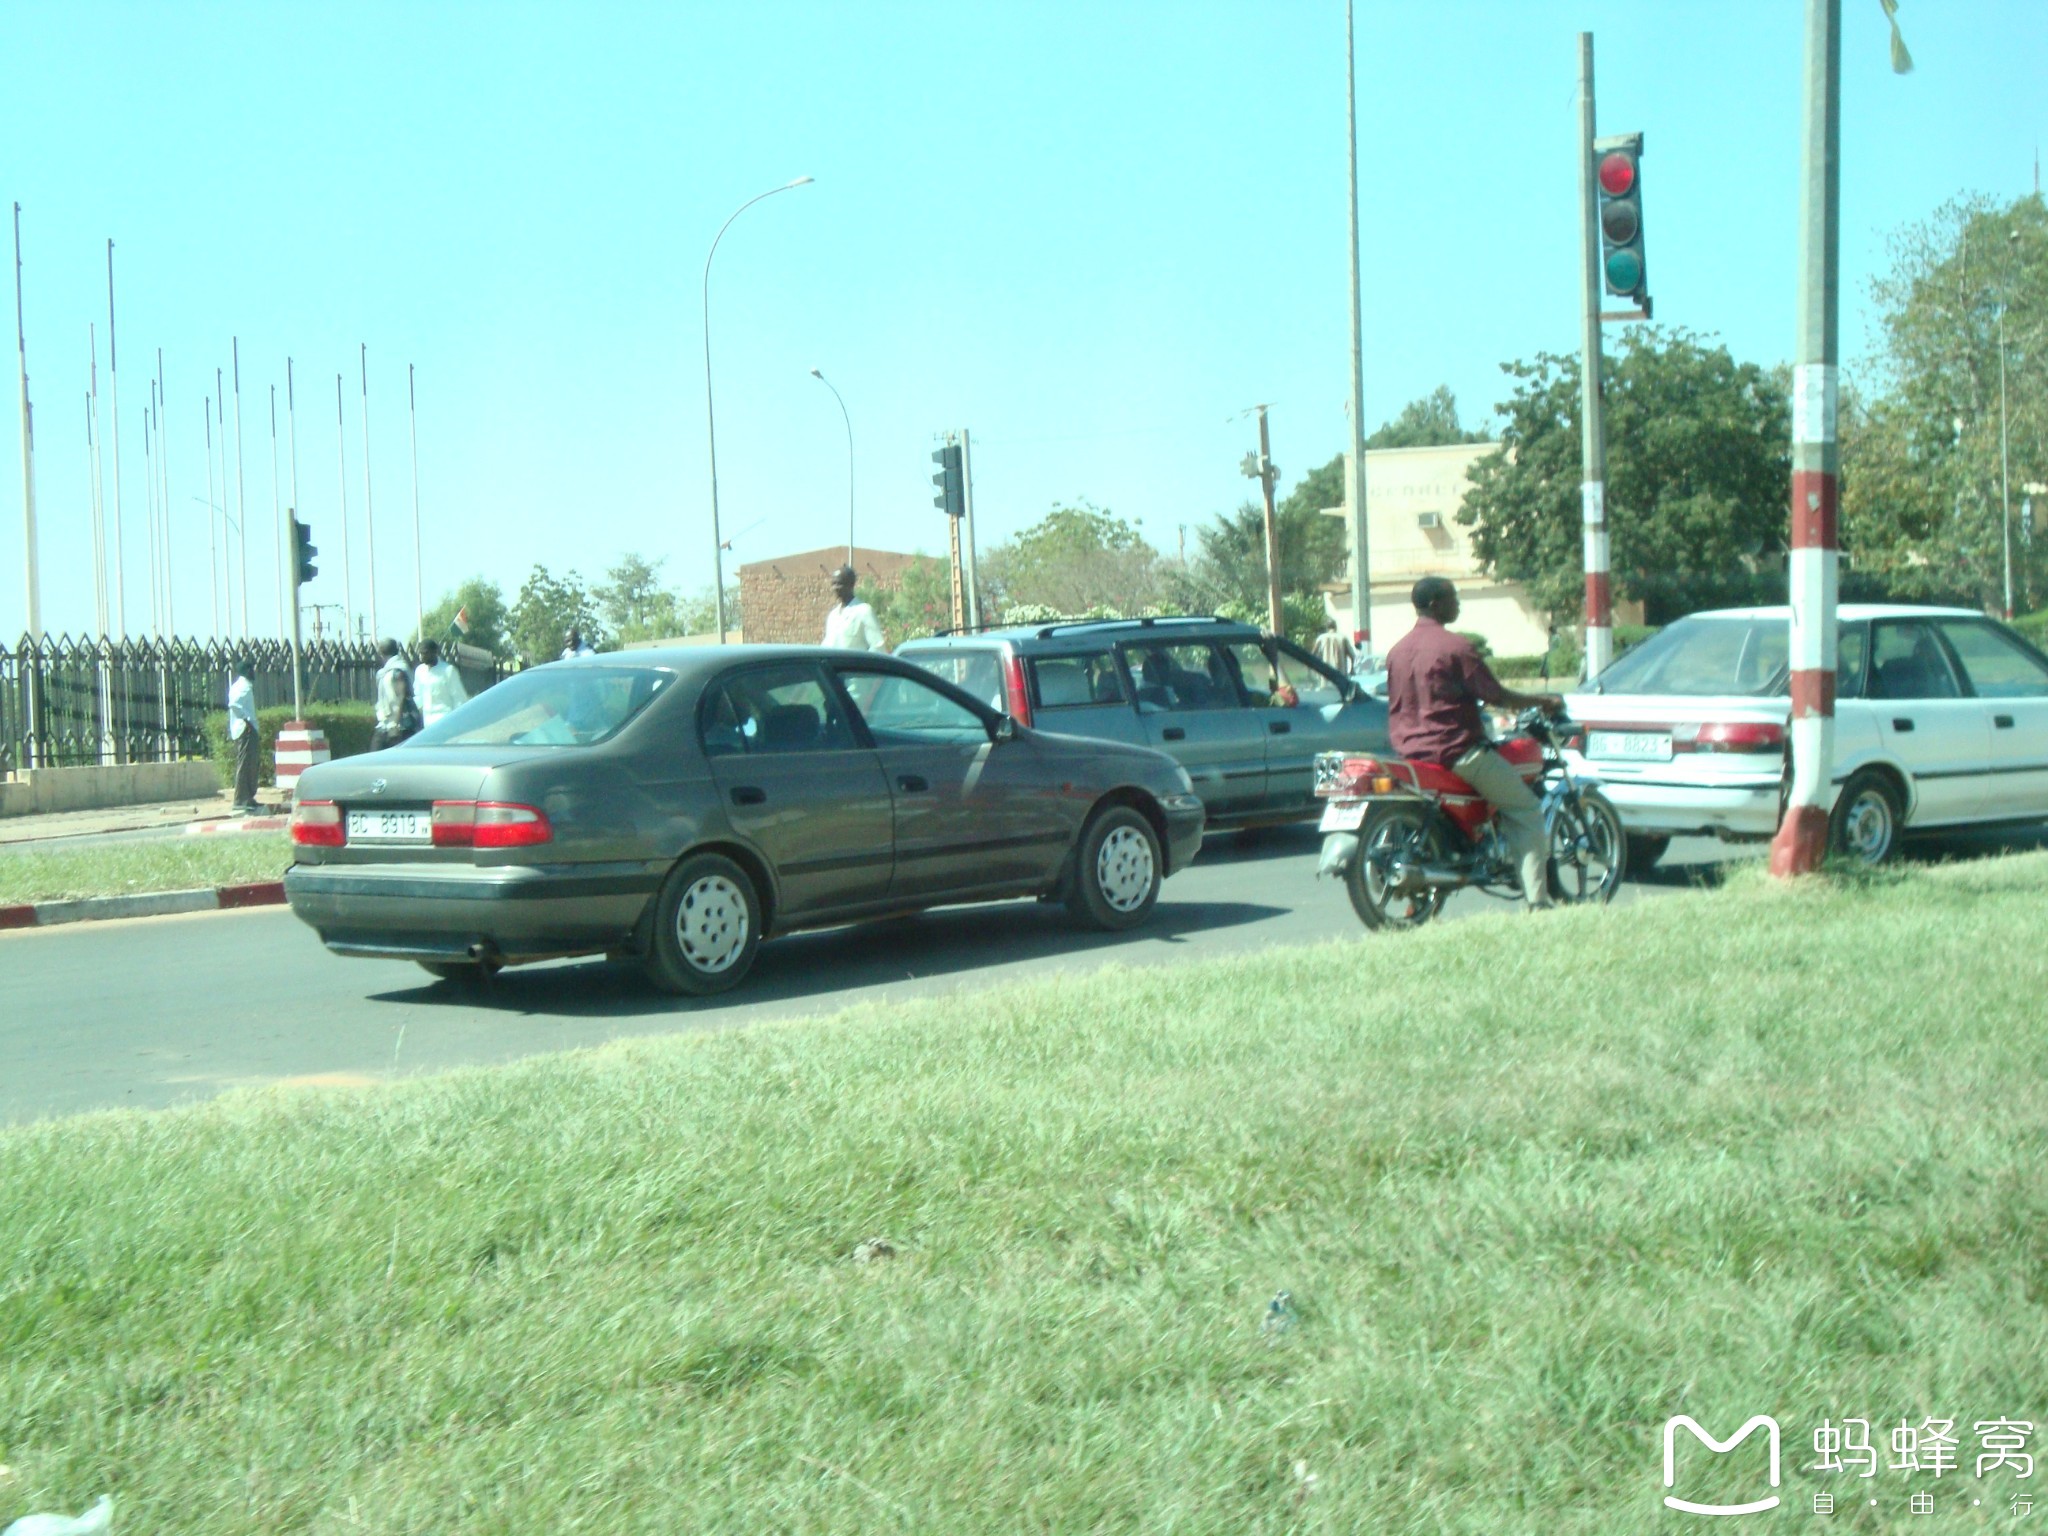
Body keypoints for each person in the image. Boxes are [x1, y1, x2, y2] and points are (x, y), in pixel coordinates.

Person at [1384, 577, 1564, 912]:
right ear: (1437, 603)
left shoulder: (1397, 651)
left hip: (1410, 754)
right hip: (1457, 752)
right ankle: (1538, 901)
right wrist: (1541, 701)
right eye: (1454, 598)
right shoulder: (1456, 647)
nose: (1459, 605)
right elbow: (1496, 695)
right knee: (1525, 808)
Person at [822, 564, 886, 652]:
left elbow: (878, 646)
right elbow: (827, 646)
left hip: (854, 665)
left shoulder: (864, 611)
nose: (835, 588)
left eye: (839, 584)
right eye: (833, 584)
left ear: (851, 585)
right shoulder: (833, 616)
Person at [371, 639, 421, 751]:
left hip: (400, 726)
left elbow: (401, 697)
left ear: (381, 653)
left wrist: (395, 725)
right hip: (386, 723)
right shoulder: (387, 671)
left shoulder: (398, 671)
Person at [226, 656, 260, 813]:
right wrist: (246, 720)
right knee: (245, 764)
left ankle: (248, 798)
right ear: (247, 671)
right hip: (246, 730)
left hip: (246, 728)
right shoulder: (243, 687)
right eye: (252, 669)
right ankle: (240, 799)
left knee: (251, 764)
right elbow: (234, 705)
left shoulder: (241, 685)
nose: (254, 672)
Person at [414, 638, 469, 728]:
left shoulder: (448, 670)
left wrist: (458, 721)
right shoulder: (419, 671)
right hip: (427, 723)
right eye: (421, 653)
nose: (422, 656)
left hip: (446, 721)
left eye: (425, 653)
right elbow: (418, 695)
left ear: (435, 652)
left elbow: (459, 698)